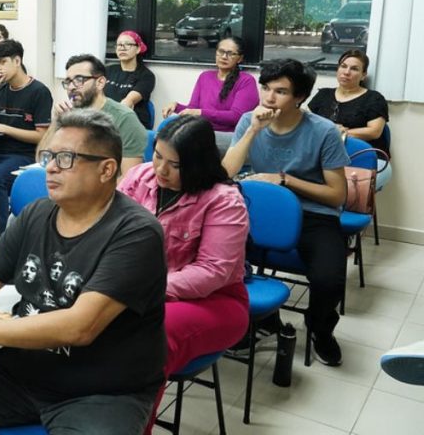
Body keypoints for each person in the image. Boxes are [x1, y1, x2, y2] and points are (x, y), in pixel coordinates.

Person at [0, 109, 166, 435]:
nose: (51, 167)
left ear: (106, 169)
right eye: (49, 156)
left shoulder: (136, 232)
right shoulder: (35, 215)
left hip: (101, 389)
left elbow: (80, 327)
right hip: (21, 370)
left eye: (66, 158)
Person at [118, 115, 249, 433]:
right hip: (140, 288)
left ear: (197, 163)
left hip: (214, 301)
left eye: (174, 164)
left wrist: (144, 290)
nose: (160, 169)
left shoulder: (224, 201)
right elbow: (109, 228)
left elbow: (212, 271)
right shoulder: (140, 177)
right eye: (157, 156)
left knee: (150, 338)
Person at [224, 59, 350, 366]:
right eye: (265, 88)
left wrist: (285, 179)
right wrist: (253, 130)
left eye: (280, 91)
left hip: (314, 214)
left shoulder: (322, 131)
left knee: (329, 279)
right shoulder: (249, 121)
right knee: (222, 259)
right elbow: (225, 172)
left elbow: (337, 195)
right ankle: (262, 319)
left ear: (299, 97)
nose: (269, 98)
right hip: (261, 212)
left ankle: (320, 328)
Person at [0, 39, 53, 239]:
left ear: (17, 61)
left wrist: (3, 128)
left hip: (24, 155)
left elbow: (42, 136)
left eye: (3, 62)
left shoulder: (39, 91)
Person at [39, 54, 146, 177]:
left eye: (79, 80)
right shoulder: (69, 115)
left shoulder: (125, 119)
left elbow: (129, 180)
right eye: (68, 82)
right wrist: (57, 122)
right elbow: (43, 160)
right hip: (70, 180)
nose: (71, 87)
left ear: (100, 83)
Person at [308, 49, 392, 188]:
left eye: (354, 69)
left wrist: (341, 132)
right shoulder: (323, 95)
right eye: (343, 66)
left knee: (339, 190)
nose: (346, 72)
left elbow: (374, 132)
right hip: (326, 158)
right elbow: (307, 124)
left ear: (363, 75)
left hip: (369, 160)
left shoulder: (374, 99)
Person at [163, 36, 258, 154]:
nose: (224, 56)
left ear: (240, 58)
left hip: (230, 136)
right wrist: (176, 106)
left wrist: (201, 113)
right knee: (165, 129)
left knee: (185, 140)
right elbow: (193, 109)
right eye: (221, 51)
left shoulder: (246, 81)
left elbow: (237, 117)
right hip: (203, 131)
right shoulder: (205, 77)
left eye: (230, 54)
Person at [105, 30, 157, 129]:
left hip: (131, 124)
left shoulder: (146, 75)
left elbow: (128, 102)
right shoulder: (107, 70)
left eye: (128, 44)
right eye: (119, 45)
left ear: (138, 49)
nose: (122, 48)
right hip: (104, 122)